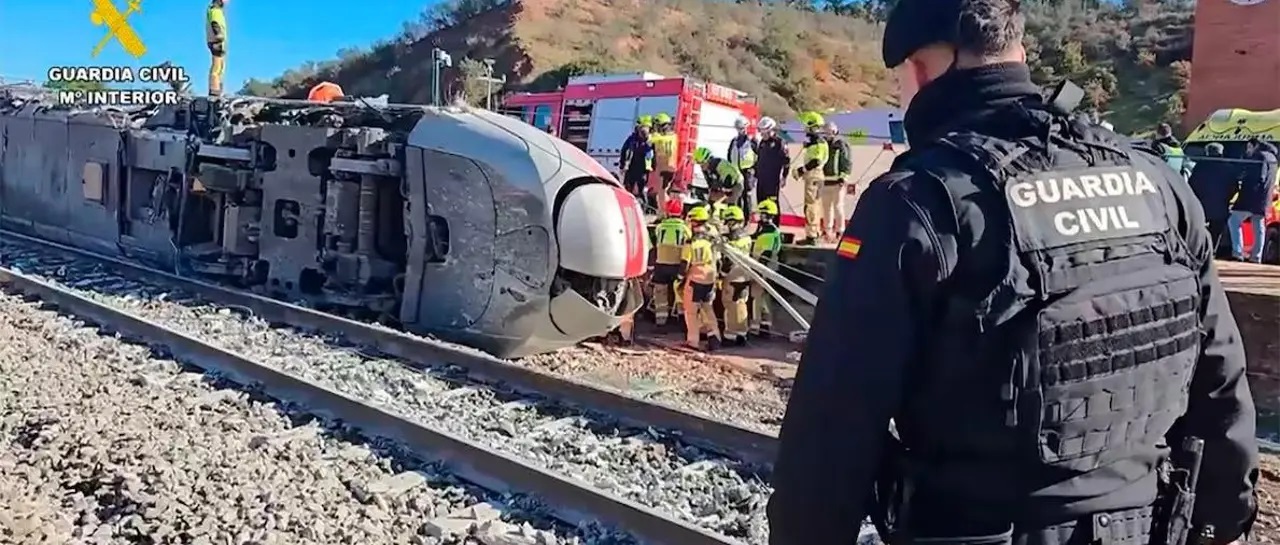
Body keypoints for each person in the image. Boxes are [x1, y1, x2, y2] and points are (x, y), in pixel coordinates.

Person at [768, 1, 1259, 544]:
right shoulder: (1159, 185)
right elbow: (1220, 378)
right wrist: (1220, 517)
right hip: (1145, 526)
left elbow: (833, 431)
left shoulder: (915, 204)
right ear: (1016, 51)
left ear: (921, 70)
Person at [1228, 137, 1278, 262]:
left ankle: (1237, 252)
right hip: (1264, 199)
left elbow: (1259, 177)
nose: (1247, 150)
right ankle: (1256, 256)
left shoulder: (1259, 156)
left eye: (1249, 147)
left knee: (1233, 220)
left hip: (1251, 198)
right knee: (1259, 226)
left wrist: (1244, 181)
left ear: (1254, 145)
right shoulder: (1273, 158)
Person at [1187, 142, 1240, 256]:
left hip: (1202, 205)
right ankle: (1212, 252)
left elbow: (1191, 184)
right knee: (1216, 232)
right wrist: (1227, 197)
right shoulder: (1229, 167)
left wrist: (1197, 197)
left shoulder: (1201, 166)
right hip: (1221, 206)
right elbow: (1235, 187)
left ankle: (1199, 251)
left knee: (1199, 229)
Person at [680, 206, 721, 351]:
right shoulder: (712, 241)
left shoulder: (690, 243)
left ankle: (693, 342)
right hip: (710, 279)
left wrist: (679, 279)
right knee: (708, 309)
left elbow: (684, 263)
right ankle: (714, 337)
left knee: (691, 312)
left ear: (695, 222)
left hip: (695, 280)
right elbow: (719, 261)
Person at [650, 199, 690, 327]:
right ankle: (681, 320)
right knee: (680, 292)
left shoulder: (660, 227)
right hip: (677, 265)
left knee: (660, 292)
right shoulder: (684, 228)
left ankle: (660, 320)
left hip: (661, 264)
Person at [717, 205, 753, 346]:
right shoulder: (747, 238)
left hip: (732, 277)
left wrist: (721, 274)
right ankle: (742, 333)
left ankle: (730, 336)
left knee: (730, 306)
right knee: (741, 304)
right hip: (744, 276)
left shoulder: (731, 241)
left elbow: (728, 262)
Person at [748, 198, 783, 337]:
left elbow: (766, 254)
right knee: (763, 298)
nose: (759, 217)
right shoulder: (768, 230)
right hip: (769, 269)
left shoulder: (769, 233)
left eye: (761, 214)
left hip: (763, 269)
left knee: (757, 297)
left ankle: (756, 327)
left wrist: (758, 270)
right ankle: (765, 325)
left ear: (767, 215)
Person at [794, 111, 830, 245]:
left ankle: (812, 236)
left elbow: (816, 161)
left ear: (813, 126)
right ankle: (815, 233)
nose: (805, 130)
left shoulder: (819, 143)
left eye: (807, 127)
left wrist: (802, 170)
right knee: (814, 205)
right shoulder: (815, 143)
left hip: (814, 176)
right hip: (814, 175)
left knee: (811, 206)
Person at [819, 121, 853, 242]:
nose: (828, 134)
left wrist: (844, 177)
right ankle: (827, 231)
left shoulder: (841, 144)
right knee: (826, 207)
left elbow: (847, 161)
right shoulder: (822, 144)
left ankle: (840, 231)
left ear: (835, 131)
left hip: (838, 182)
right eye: (825, 132)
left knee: (838, 207)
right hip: (825, 181)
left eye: (830, 132)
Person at [755, 116, 792, 206]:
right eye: (761, 133)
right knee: (761, 203)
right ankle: (763, 219)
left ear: (771, 130)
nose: (762, 135)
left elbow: (786, 162)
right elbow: (759, 159)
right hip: (761, 179)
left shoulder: (780, 143)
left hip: (773, 180)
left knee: (772, 204)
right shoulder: (762, 143)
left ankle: (774, 220)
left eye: (765, 133)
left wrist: (784, 177)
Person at [649, 113, 681, 214]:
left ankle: (664, 213)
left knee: (661, 193)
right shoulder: (672, 137)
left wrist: (651, 133)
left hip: (666, 168)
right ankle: (666, 211)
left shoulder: (668, 137)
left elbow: (651, 139)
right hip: (665, 168)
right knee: (662, 192)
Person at [727, 116, 760, 213]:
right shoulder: (734, 141)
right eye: (738, 128)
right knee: (736, 194)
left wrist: (754, 169)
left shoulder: (752, 141)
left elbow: (759, 156)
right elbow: (729, 155)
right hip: (736, 171)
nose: (740, 130)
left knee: (746, 195)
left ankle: (747, 218)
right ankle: (737, 215)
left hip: (748, 171)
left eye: (741, 128)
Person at [620, 116, 655, 201]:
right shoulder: (632, 138)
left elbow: (655, 155)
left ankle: (644, 208)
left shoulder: (651, 140)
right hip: (633, 167)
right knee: (629, 188)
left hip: (643, 169)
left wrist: (654, 166)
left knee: (641, 190)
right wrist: (622, 164)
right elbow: (624, 150)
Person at [206, 0, 228, 97]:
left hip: (219, 42)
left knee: (221, 67)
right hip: (216, 41)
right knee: (217, 66)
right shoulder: (215, 10)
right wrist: (218, 35)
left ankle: (218, 88)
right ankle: (214, 90)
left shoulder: (217, 10)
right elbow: (215, 22)